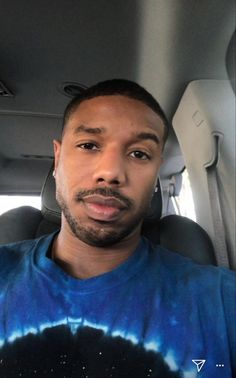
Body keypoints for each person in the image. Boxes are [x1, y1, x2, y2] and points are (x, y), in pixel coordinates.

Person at [0, 79, 235, 378]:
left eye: (139, 154)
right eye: (88, 145)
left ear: (156, 175)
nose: (110, 172)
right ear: (57, 160)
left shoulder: (220, 301)